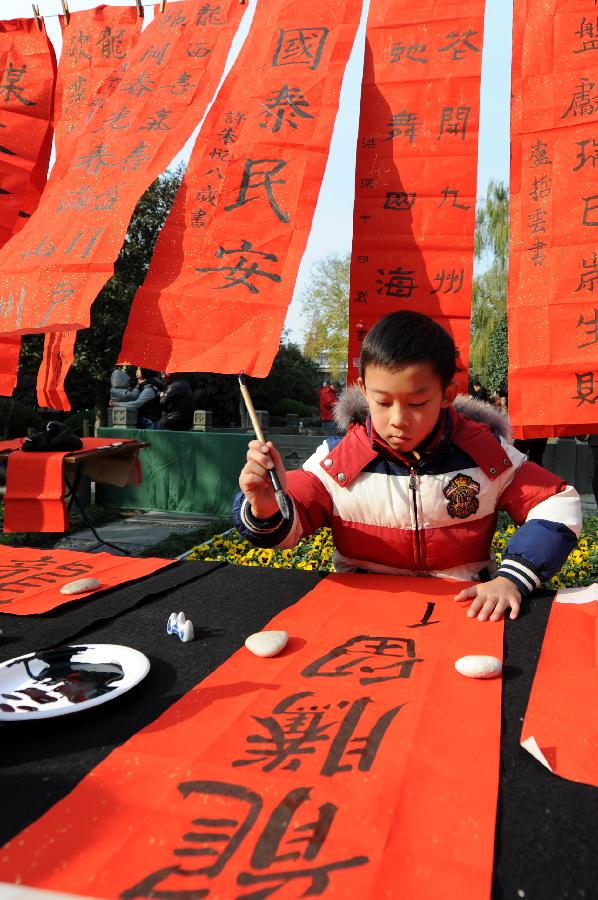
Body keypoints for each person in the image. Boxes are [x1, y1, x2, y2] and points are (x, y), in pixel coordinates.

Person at [233, 311, 581, 622]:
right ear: (363, 389)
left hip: (463, 609)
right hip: (360, 611)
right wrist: (265, 509)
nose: (398, 420)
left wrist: (512, 579)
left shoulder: (484, 452)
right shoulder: (339, 458)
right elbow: (290, 524)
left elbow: (556, 501)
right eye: (382, 402)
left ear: (447, 394)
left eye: (417, 402)